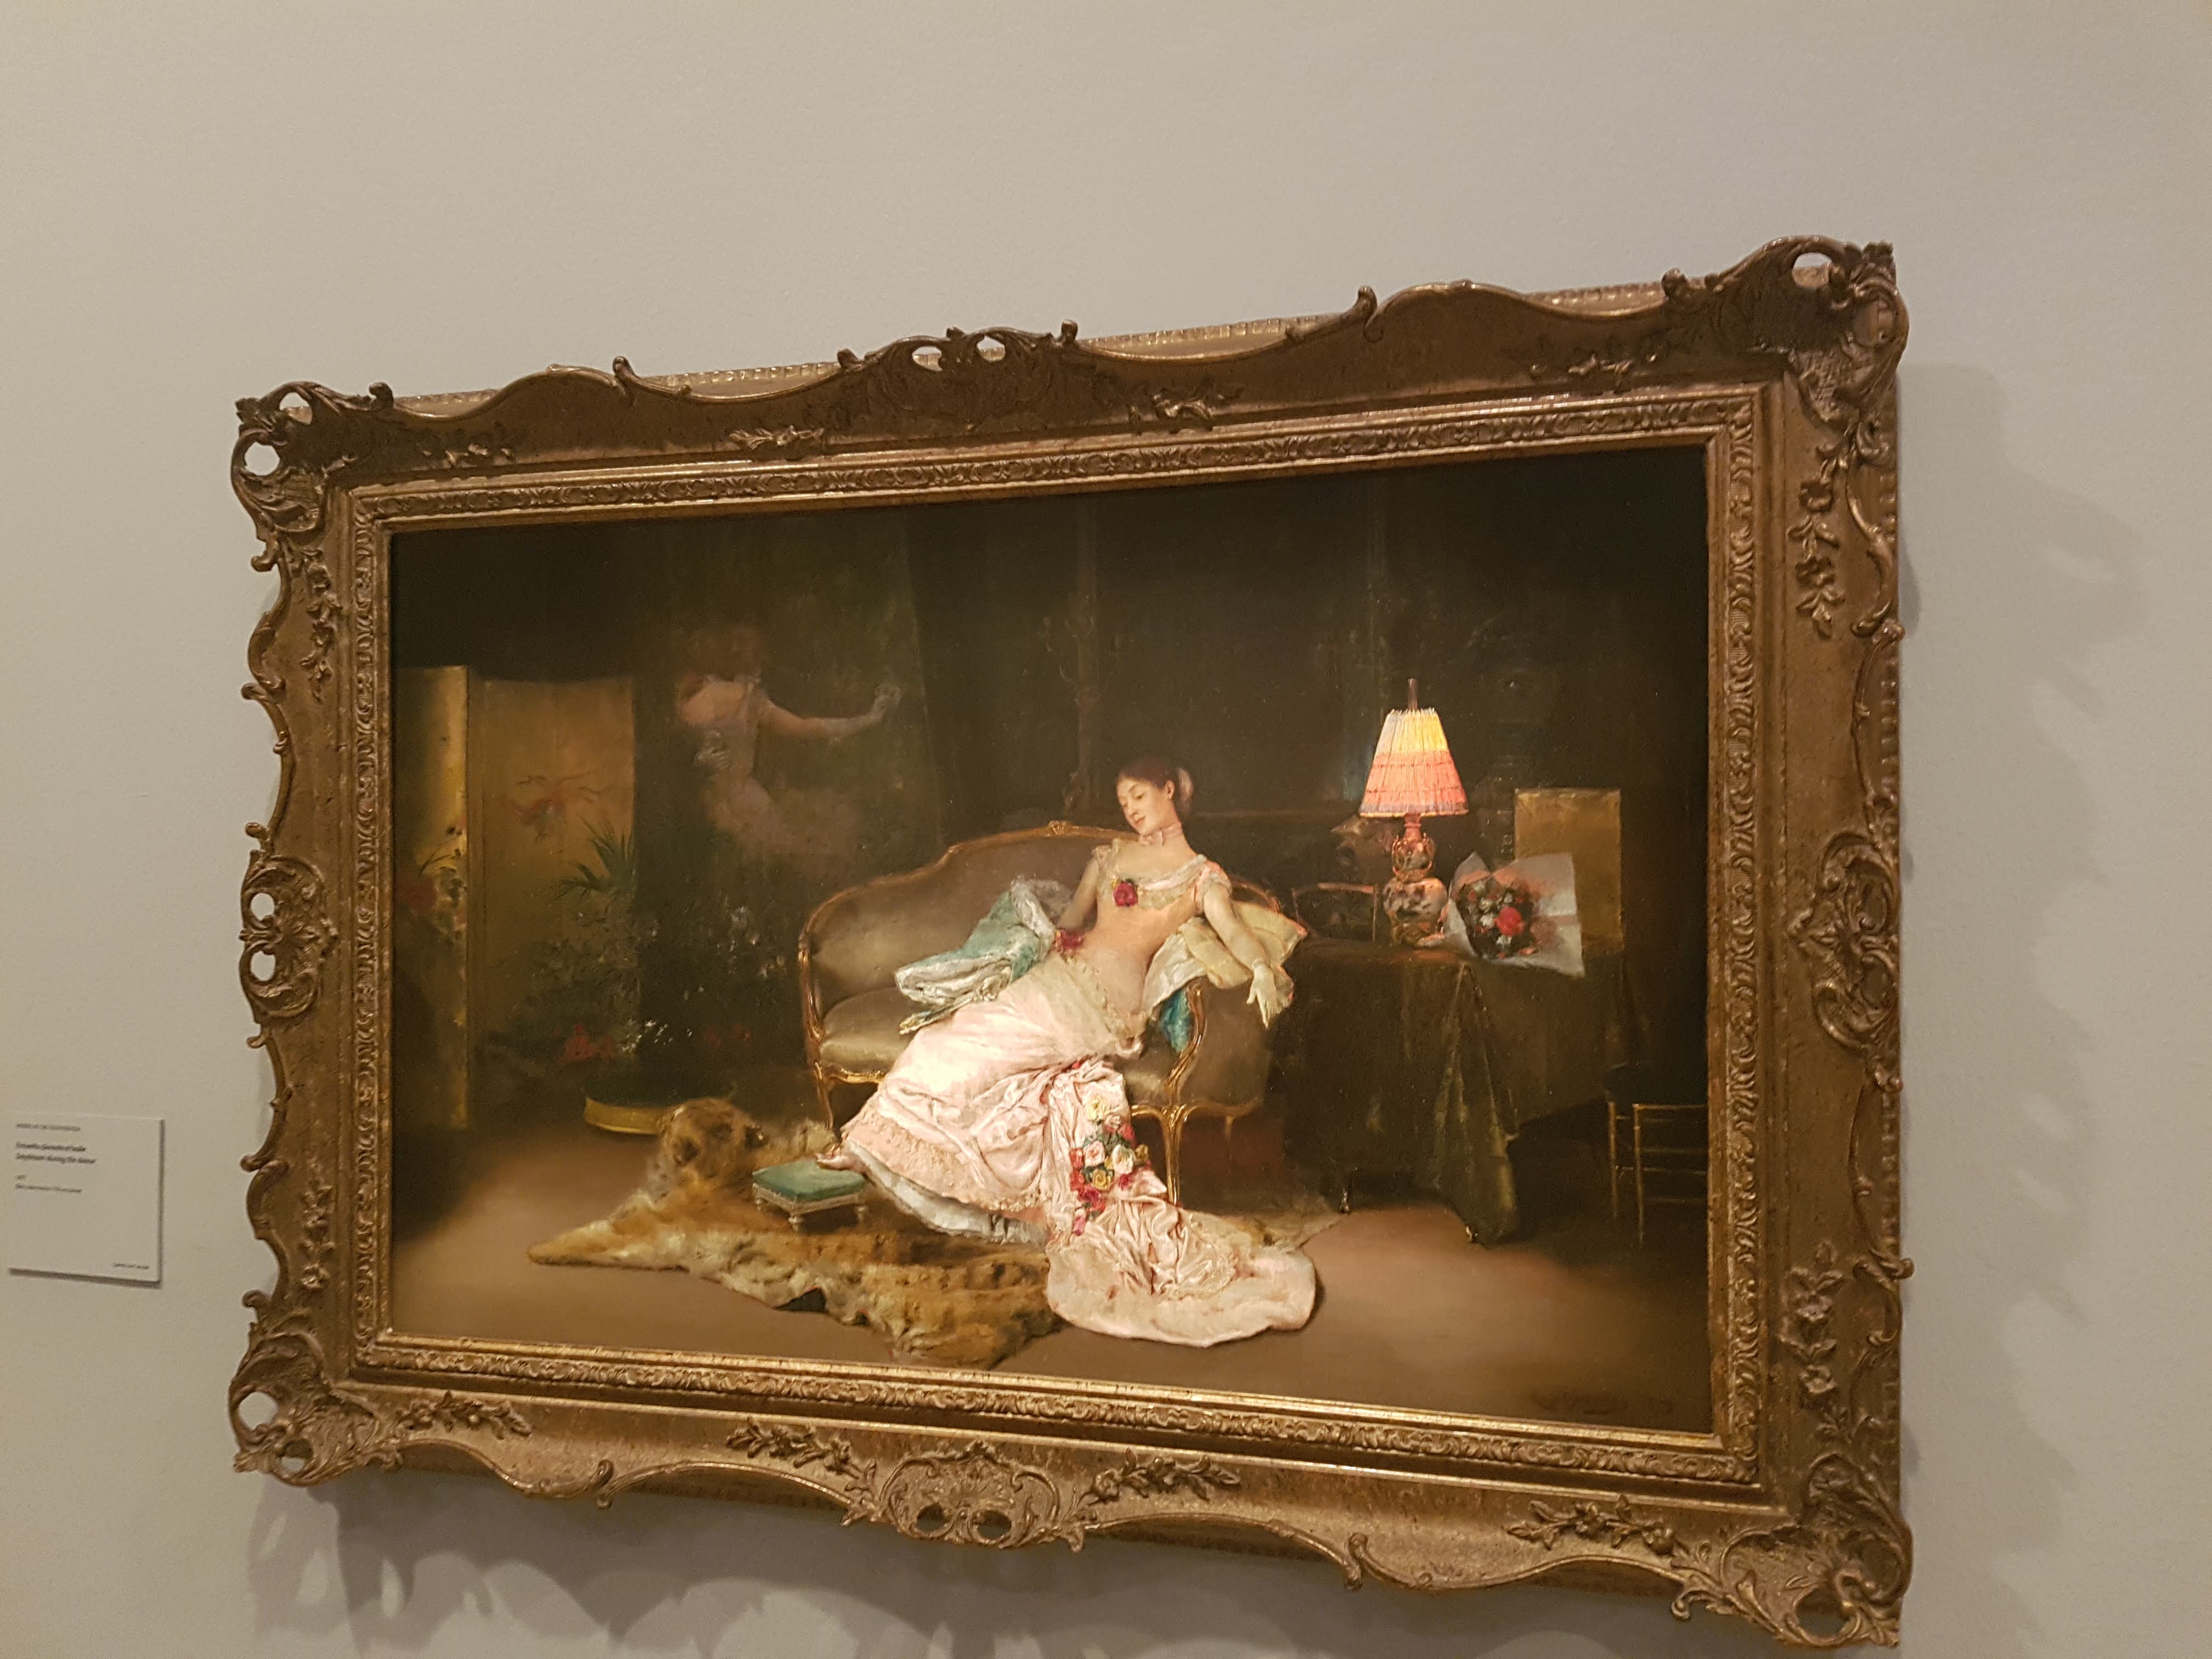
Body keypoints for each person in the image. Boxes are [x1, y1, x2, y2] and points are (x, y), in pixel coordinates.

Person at [826, 757, 1315, 1346]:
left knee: (973, 1052)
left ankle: (874, 1145)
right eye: (1124, 802)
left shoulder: (1201, 877)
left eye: (1139, 796)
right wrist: (1027, 934)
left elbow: (1233, 931)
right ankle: (876, 1146)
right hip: (1059, 978)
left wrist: (1260, 967)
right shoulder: (1109, 857)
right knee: (951, 1038)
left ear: (1169, 790)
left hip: (1108, 1004)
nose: (1131, 809)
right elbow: (1073, 923)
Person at [675, 624, 899, 866]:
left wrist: (868, 720)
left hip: (708, 802)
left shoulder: (693, 698)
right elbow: (809, 728)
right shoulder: (748, 701)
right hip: (735, 803)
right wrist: (869, 719)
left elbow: (808, 728)